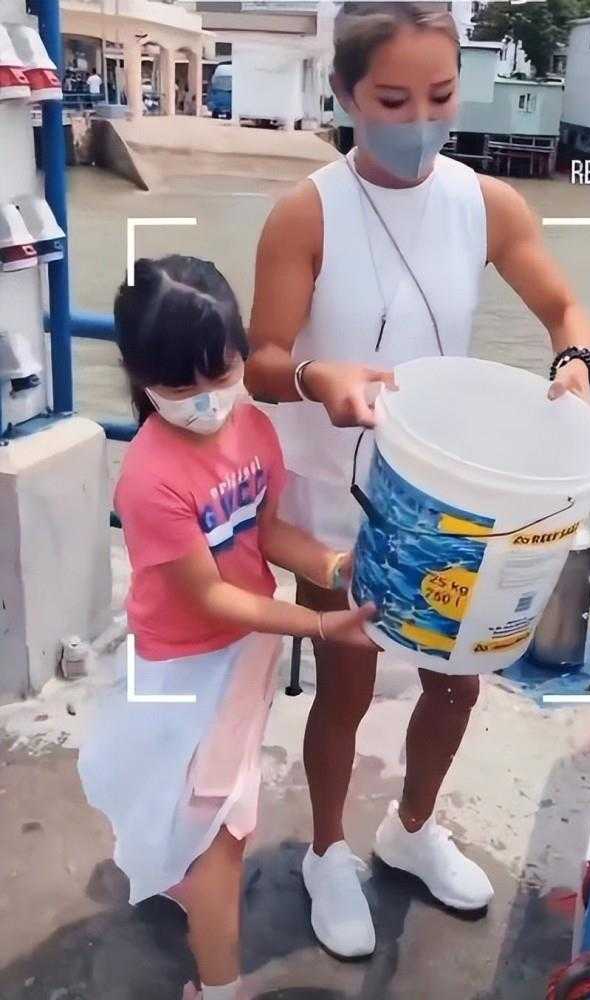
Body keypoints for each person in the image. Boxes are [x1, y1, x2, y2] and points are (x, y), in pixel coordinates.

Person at [246, 1, 590, 960]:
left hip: (455, 491)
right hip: (340, 492)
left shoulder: (485, 203)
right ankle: (327, 851)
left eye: (440, 96)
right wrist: (319, 377)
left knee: (456, 681)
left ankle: (410, 827)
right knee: (347, 682)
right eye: (392, 100)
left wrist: (573, 364)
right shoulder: (306, 211)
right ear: (344, 94)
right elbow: (261, 361)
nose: (420, 120)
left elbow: (565, 306)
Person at [78, 256, 377, 1000]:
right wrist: (317, 622)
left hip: (248, 651)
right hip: (184, 665)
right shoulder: (150, 478)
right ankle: (220, 985)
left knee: (208, 812)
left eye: (221, 373)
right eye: (181, 388)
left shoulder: (255, 429)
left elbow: (264, 532)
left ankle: (184, 881)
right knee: (220, 837)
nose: (207, 400)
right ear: (140, 377)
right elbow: (209, 597)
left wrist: (334, 564)